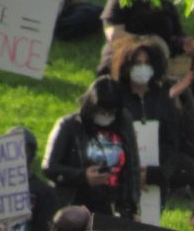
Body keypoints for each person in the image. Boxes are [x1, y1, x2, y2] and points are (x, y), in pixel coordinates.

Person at [99, 0, 194, 112]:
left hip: (164, 59)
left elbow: (175, 35)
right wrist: (149, 44)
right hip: (129, 57)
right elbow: (114, 35)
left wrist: (183, 42)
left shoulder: (166, 4)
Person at [42, 76, 140, 219]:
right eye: (102, 111)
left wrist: (132, 207)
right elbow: (50, 167)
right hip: (77, 202)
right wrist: (83, 176)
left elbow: (132, 167)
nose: (106, 116)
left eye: (111, 112)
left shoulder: (124, 123)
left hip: (113, 205)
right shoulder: (69, 125)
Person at [111, 36, 191, 205]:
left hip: (154, 176)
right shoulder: (116, 97)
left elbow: (172, 142)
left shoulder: (163, 100)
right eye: (137, 63)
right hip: (119, 174)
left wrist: (155, 173)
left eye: (146, 63)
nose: (142, 68)